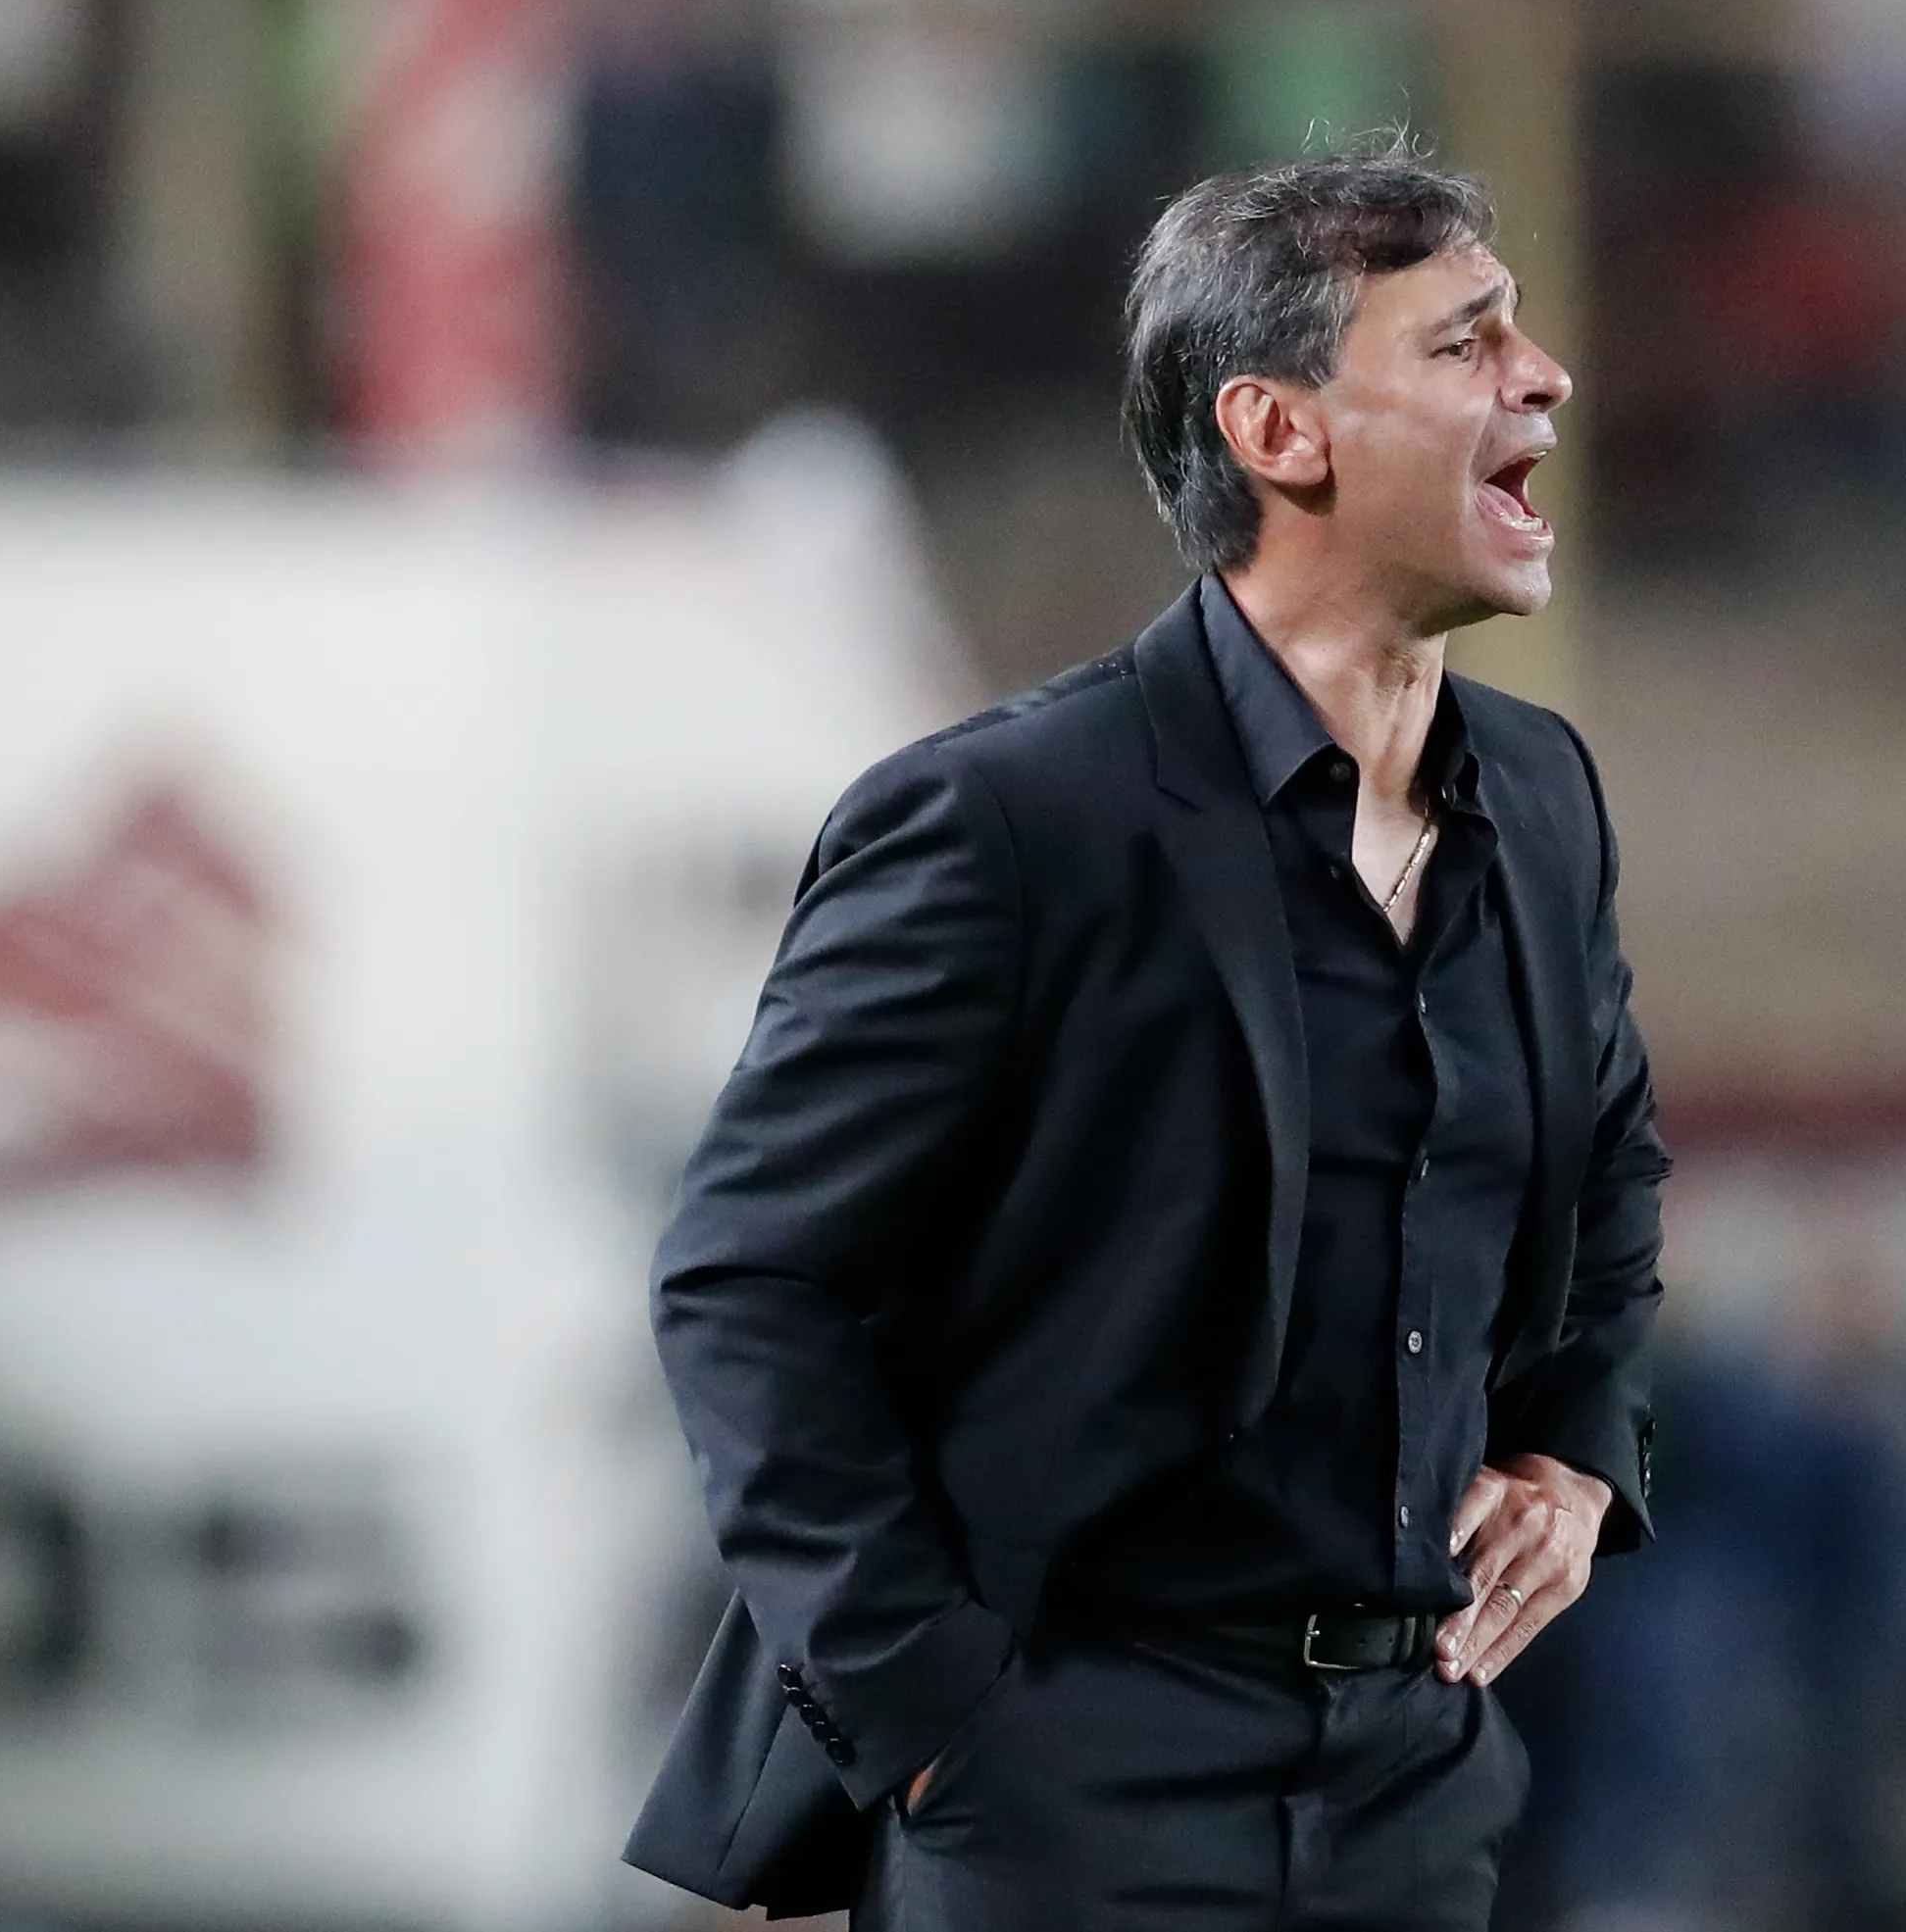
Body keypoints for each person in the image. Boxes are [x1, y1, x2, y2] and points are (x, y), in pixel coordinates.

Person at [620, 136, 1668, 1930]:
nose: (1542, 378)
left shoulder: (1545, 801)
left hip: (1414, 1781)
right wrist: (932, 1715)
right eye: (1463, 344)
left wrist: (1576, 1450)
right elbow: (749, 1285)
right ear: (1280, 433)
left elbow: (1609, 1166)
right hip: (1063, 1782)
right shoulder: (1009, 821)